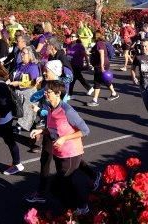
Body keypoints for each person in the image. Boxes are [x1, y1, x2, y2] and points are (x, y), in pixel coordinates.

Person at [29, 80, 91, 215]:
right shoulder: (51, 108)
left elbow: (85, 130)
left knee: (63, 183)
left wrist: (64, 138)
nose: (45, 93)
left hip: (71, 153)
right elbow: (52, 129)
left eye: (48, 92)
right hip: (59, 152)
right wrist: (41, 131)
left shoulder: (67, 111)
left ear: (58, 94)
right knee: (59, 186)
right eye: (45, 91)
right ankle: (71, 208)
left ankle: (82, 207)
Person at [8, 46, 40, 132]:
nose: (21, 55)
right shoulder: (19, 65)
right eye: (21, 53)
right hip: (19, 92)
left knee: (27, 112)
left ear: (30, 55)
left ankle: (21, 127)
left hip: (29, 93)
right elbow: (13, 75)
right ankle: (33, 127)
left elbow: (33, 83)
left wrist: (18, 83)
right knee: (22, 111)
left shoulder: (33, 67)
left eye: (24, 53)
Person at [87, 31, 119, 107]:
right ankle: (114, 93)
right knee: (105, 79)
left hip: (101, 65)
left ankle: (95, 100)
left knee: (97, 82)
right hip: (103, 64)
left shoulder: (99, 43)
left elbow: (102, 54)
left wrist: (101, 66)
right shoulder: (100, 43)